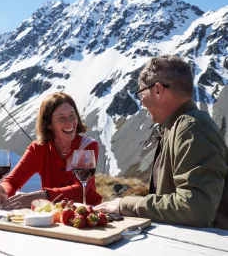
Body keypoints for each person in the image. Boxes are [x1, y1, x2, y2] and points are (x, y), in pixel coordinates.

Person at [95, 55, 228, 230]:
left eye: (142, 93)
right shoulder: (177, 127)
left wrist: (126, 205)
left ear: (158, 90)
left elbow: (196, 209)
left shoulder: (191, 128)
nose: (141, 102)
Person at [0, 92, 102, 209]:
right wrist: (2, 191)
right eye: (62, 118)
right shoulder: (37, 148)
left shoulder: (88, 146)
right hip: (51, 216)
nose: (70, 122)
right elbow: (12, 182)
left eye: (72, 115)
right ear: (48, 125)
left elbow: (80, 190)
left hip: (87, 214)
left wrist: (42, 196)